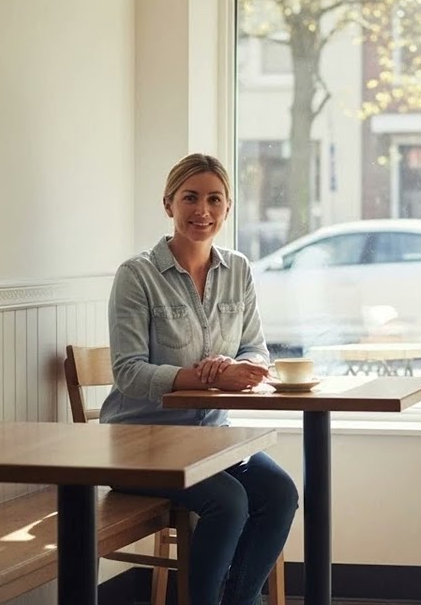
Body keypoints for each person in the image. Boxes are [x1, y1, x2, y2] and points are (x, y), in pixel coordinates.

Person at [100, 153, 298, 605]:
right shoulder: (137, 276)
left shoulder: (239, 270)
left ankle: (239, 601)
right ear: (168, 203)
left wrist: (231, 365)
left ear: (228, 209)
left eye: (214, 199)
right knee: (228, 502)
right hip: (140, 443)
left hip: (212, 439)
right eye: (190, 197)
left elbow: (256, 350)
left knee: (280, 493)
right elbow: (128, 372)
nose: (201, 210)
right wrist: (202, 377)